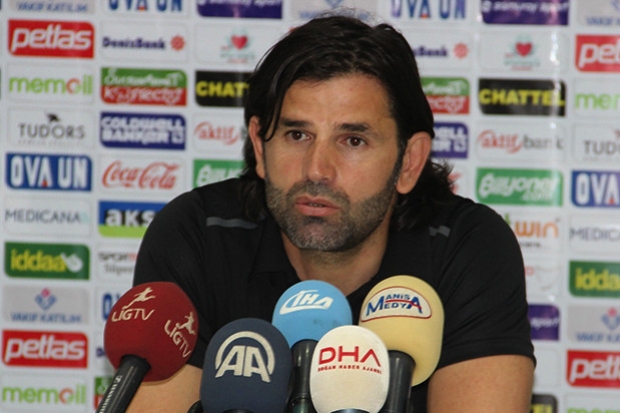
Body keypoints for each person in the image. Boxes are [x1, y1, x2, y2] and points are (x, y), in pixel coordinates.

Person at [127, 13, 535, 413]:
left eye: (353, 140)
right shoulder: (198, 235)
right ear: (260, 147)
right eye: (297, 134)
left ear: (409, 162)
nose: (317, 170)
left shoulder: (467, 247)